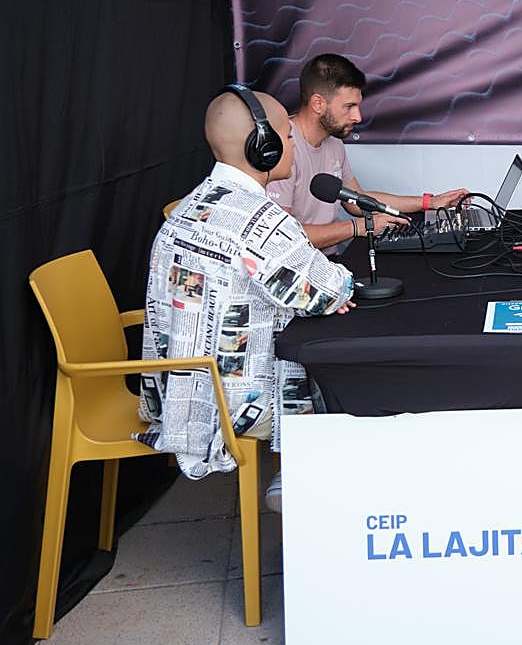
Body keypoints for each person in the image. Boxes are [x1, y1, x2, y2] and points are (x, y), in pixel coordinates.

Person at [138, 87, 356, 512]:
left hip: (180, 389)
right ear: (265, 146)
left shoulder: (190, 205)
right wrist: (337, 287)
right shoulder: (259, 219)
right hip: (233, 401)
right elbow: (329, 291)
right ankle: (312, 487)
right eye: (287, 138)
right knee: (349, 384)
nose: (292, 145)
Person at [266, 53, 469, 253]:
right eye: (349, 106)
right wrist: (358, 227)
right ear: (318, 103)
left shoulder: (334, 142)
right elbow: (283, 236)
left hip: (329, 261)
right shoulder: (283, 148)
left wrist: (429, 202)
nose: (358, 117)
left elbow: (357, 201)